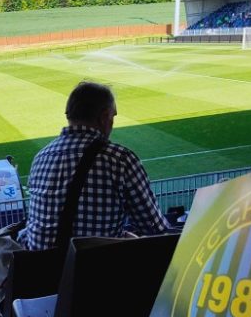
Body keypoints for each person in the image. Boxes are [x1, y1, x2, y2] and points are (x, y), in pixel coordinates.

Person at [19, 81, 170, 251]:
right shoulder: (119, 160)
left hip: (43, 273)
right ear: (104, 117)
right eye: (113, 116)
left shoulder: (40, 158)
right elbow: (154, 228)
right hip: (93, 273)